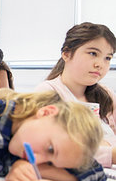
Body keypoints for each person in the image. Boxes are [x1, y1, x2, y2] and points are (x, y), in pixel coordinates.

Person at [35, 22, 116, 167]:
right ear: (66, 53)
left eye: (107, 58)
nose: (100, 64)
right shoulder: (47, 93)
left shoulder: (107, 95)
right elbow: (52, 150)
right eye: (93, 54)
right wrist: (111, 154)